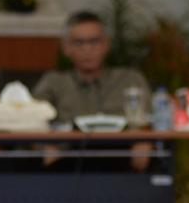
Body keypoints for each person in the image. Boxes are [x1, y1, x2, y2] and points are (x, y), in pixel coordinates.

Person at [33, 11, 152, 172]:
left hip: (121, 161)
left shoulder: (130, 79)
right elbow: (30, 120)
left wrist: (143, 141)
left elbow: (153, 120)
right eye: (79, 43)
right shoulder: (54, 82)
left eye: (94, 42)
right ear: (66, 48)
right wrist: (45, 145)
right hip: (67, 164)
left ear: (106, 45)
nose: (87, 49)